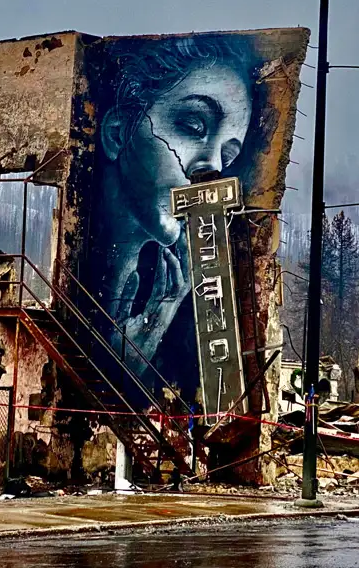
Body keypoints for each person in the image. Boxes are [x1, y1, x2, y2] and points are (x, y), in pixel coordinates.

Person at [89, 35, 263, 400]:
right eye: (193, 125)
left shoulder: (163, 300)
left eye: (227, 158)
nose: (211, 167)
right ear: (118, 133)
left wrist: (150, 334)